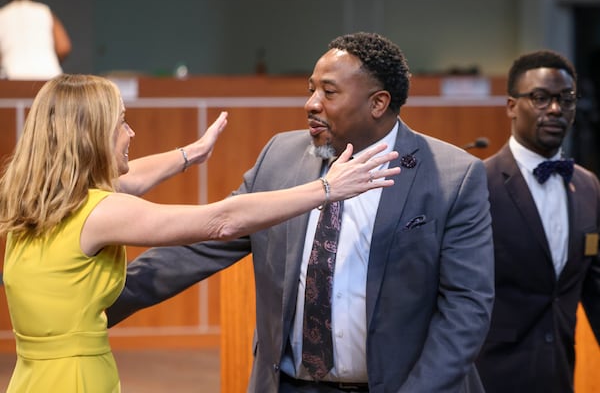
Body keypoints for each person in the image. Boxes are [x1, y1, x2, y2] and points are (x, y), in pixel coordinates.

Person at [107, 32, 495, 392]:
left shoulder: (452, 176)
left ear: (378, 103)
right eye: (311, 90)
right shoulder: (280, 157)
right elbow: (200, 245)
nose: (311, 104)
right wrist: (96, 304)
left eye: (329, 92)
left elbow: (467, 307)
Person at [0, 74, 399, 392]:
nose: (131, 134)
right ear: (91, 137)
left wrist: (191, 153)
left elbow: (131, 177)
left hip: (33, 376)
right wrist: (327, 188)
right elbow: (220, 221)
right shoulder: (101, 212)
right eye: (121, 122)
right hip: (77, 380)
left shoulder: (35, 197)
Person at [475, 50, 600, 393]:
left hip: (560, 373)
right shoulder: (478, 184)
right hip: (490, 377)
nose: (556, 109)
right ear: (512, 106)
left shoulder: (589, 186)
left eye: (566, 100)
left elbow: (593, 287)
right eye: (541, 98)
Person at [0, 0, 71, 80]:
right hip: (48, 76)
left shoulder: (2, 14)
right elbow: (63, 47)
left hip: (12, 77)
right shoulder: (44, 11)